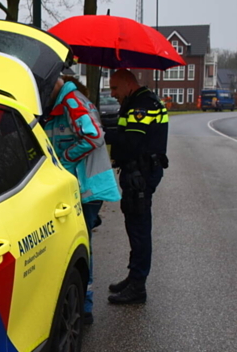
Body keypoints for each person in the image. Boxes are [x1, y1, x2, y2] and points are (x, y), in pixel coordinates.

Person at [44, 74, 121, 324]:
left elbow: (93, 136)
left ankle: (84, 306)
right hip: (84, 188)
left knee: (80, 244)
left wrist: (64, 159)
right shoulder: (64, 102)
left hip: (86, 188)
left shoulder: (71, 101)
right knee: (80, 242)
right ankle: (82, 303)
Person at [107, 69, 169, 304]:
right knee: (134, 226)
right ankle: (134, 276)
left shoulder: (141, 106)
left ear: (127, 84)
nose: (112, 94)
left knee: (139, 230)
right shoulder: (137, 101)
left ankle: (138, 286)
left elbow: (130, 140)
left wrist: (102, 133)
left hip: (140, 175)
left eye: (114, 88)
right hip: (139, 173)